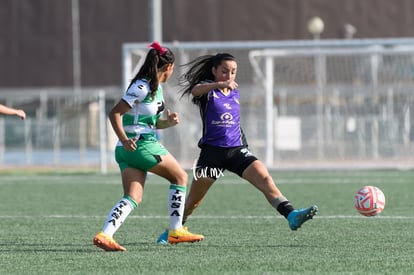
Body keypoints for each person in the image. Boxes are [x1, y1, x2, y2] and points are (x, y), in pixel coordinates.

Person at [157, 53, 318, 244]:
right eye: (224, 71)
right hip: (212, 154)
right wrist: (218, 84)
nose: (229, 75)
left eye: (233, 72)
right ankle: (173, 231)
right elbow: (194, 91)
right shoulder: (208, 91)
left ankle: (291, 215)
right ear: (214, 71)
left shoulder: (235, 91)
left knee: (265, 179)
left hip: (237, 151)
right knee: (193, 201)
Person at [93, 42, 204, 252]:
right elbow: (114, 113)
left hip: (129, 150)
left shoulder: (155, 88)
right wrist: (125, 139)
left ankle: (105, 234)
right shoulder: (142, 87)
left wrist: (167, 123)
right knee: (180, 177)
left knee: (133, 197)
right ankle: (175, 231)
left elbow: (147, 122)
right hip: (140, 145)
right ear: (168, 67)